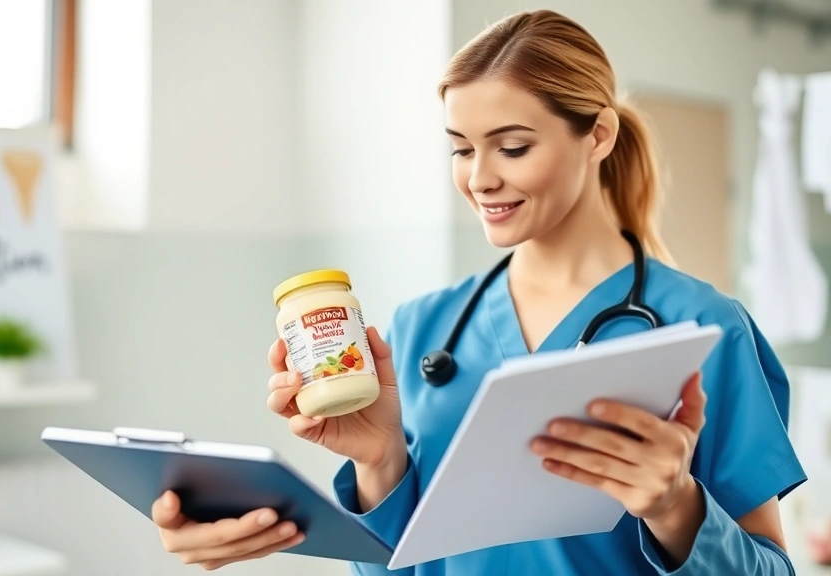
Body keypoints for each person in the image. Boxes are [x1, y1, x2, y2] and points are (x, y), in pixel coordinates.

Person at [150, 9, 808, 574]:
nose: (480, 179)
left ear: (598, 135)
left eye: (513, 147)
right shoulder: (423, 327)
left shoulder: (705, 328)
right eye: (462, 150)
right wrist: (379, 462)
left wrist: (675, 506)